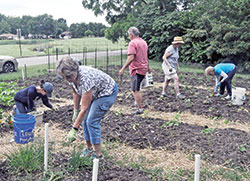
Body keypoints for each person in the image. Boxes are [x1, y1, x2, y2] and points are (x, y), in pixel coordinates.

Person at [56, 56, 118, 159]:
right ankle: (89, 149)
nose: (66, 80)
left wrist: (74, 129)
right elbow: (76, 92)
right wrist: (76, 111)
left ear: (73, 72)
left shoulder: (85, 78)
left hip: (106, 92)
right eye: (64, 78)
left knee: (91, 121)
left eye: (67, 77)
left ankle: (98, 155)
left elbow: (84, 108)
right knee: (84, 120)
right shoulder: (70, 77)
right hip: (95, 91)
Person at [119, 27, 150, 114]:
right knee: (138, 88)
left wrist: (123, 68)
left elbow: (131, 57)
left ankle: (140, 108)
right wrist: (148, 67)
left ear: (131, 34)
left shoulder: (132, 43)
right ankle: (136, 103)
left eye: (129, 34)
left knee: (135, 90)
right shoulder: (143, 42)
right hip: (143, 68)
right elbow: (146, 56)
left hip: (136, 69)